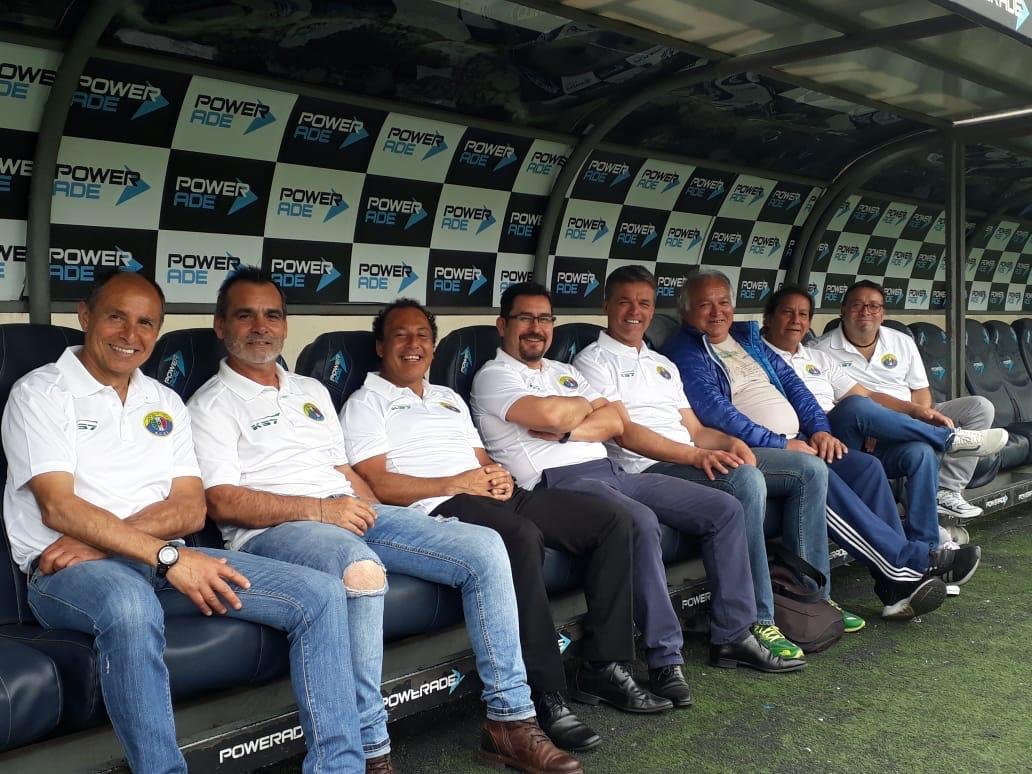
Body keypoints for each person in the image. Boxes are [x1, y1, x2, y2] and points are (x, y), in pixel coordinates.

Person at [188, 268, 580, 774]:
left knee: (486, 547)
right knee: (361, 569)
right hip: (276, 532)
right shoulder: (210, 404)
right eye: (246, 316)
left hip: (346, 511)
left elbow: (344, 471)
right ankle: (373, 753)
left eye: (272, 315)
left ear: (285, 325)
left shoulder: (309, 389)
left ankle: (510, 720)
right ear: (221, 326)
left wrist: (383, 514)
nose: (261, 327)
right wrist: (321, 510)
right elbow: (222, 502)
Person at [2, 271, 366, 773]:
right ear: (85, 316)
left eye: (145, 323)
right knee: (130, 606)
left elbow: (191, 509)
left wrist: (110, 542)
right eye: (116, 317)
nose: (131, 335)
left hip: (156, 560)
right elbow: (60, 509)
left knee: (319, 595)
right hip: (67, 574)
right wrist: (164, 553)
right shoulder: (41, 392)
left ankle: (339, 767)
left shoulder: (163, 400)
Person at [344, 299, 665, 753]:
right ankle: (544, 692)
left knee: (614, 521)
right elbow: (378, 483)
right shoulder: (365, 402)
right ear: (381, 346)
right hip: (439, 507)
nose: (413, 344)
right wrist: (459, 482)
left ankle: (604, 667)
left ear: (433, 347)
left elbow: (482, 459)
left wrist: (497, 475)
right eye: (401, 335)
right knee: (519, 537)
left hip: (492, 494)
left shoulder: (447, 397)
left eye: (423, 336)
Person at [470, 281, 805, 677]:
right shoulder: (493, 375)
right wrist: (584, 410)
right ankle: (666, 658)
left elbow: (616, 421)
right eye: (525, 318)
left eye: (544, 319)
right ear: (502, 325)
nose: (536, 328)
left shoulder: (563, 371)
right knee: (640, 520)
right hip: (556, 483)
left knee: (725, 509)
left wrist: (569, 424)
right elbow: (553, 416)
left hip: (609, 472)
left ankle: (733, 635)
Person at [662, 271, 972, 620]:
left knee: (867, 468)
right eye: (705, 305)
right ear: (685, 311)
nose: (717, 312)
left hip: (797, 440)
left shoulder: (744, 339)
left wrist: (821, 430)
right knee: (814, 471)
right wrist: (781, 443)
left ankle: (894, 589)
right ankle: (906, 562)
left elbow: (796, 388)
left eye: (723, 303)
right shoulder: (685, 351)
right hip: (753, 449)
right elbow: (717, 412)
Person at [573, 265, 833, 661]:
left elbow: (694, 428)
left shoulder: (661, 363)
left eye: (644, 303)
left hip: (690, 456)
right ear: (606, 305)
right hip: (644, 468)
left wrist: (731, 443)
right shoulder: (593, 361)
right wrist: (699, 455)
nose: (635, 312)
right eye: (624, 302)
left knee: (808, 470)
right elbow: (624, 433)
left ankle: (811, 601)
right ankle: (760, 619)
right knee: (744, 480)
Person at [762, 283, 998, 566]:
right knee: (856, 407)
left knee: (920, 453)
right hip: (825, 434)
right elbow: (852, 404)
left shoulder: (816, 357)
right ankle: (947, 439)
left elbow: (870, 395)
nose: (796, 320)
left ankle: (927, 551)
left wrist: (914, 412)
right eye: (787, 312)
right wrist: (867, 423)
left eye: (803, 314)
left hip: (875, 428)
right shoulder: (772, 355)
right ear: (768, 318)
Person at [816, 280, 997, 521]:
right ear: (843, 310)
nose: (866, 312)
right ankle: (947, 439)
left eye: (874, 306)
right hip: (866, 426)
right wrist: (877, 425)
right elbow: (836, 408)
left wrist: (917, 418)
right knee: (916, 446)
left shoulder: (901, 341)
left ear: (883, 313)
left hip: (912, 414)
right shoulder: (820, 350)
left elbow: (921, 391)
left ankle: (947, 489)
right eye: (857, 305)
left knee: (980, 407)